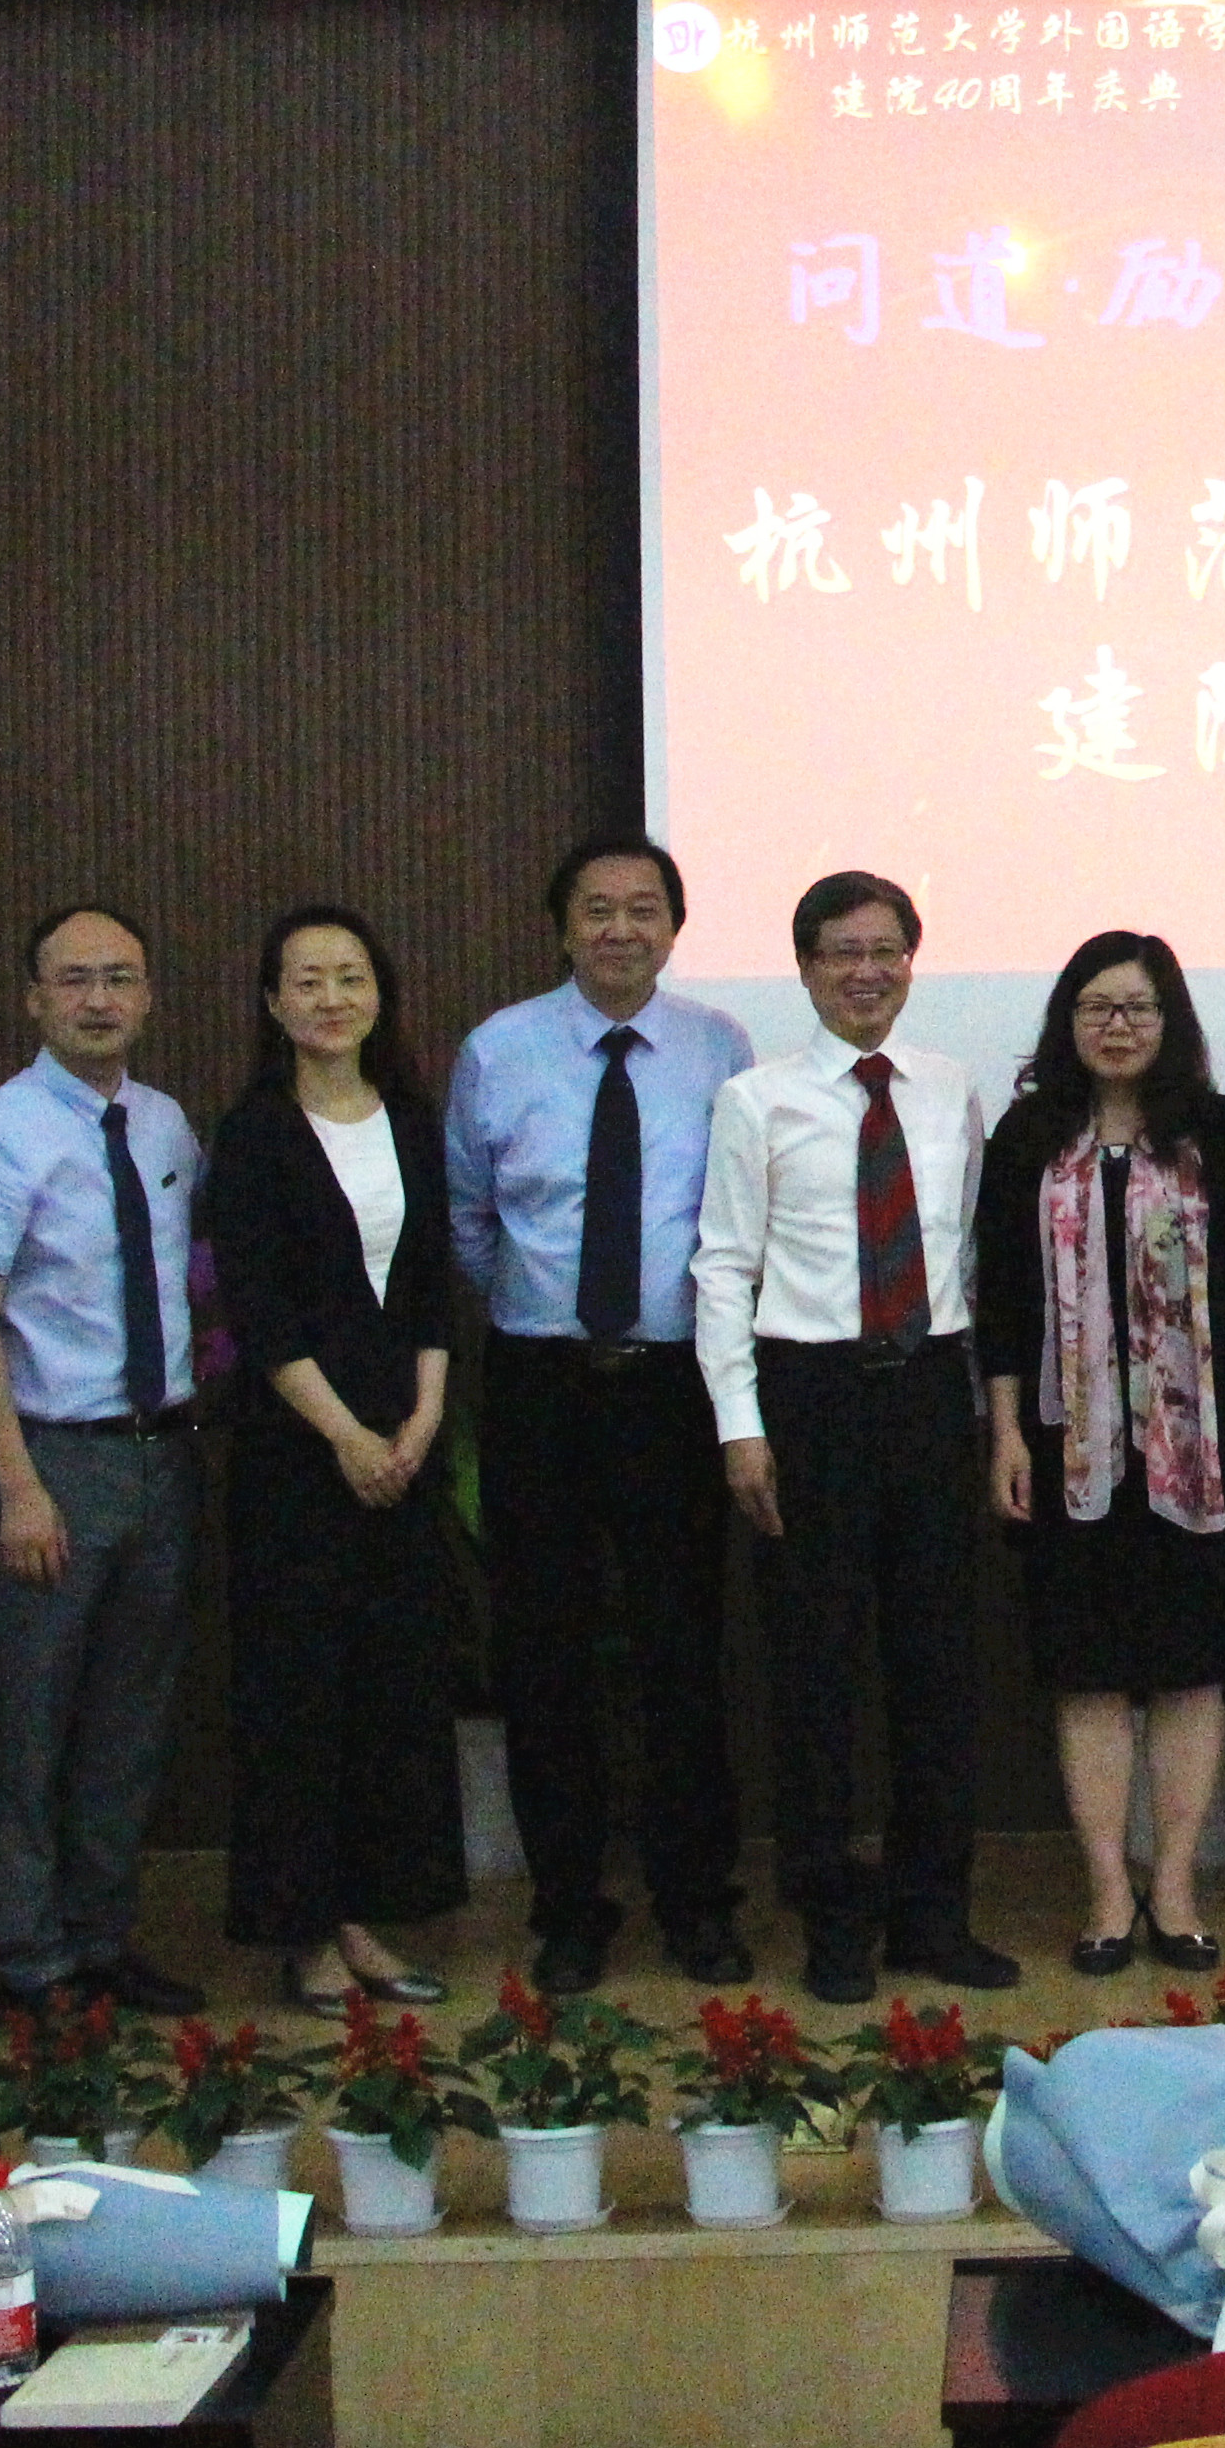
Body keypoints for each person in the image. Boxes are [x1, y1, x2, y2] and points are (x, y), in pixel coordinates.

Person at [449, 835, 757, 1995]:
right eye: (598, 909)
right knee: (545, 1655)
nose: (621, 929)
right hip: (541, 1385)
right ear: (562, 926)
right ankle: (568, 1907)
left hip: (675, 1386)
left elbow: (739, 1211)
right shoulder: (500, 1049)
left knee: (684, 1652)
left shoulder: (720, 1048)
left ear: (674, 927)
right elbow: (469, 1219)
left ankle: (696, 1902)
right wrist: (542, 1316)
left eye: (643, 909)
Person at [699, 870, 1011, 2007]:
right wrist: (742, 1427)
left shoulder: (950, 1088)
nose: (866, 972)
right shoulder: (756, 1101)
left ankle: (934, 1916)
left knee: (938, 1669)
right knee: (816, 1675)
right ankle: (833, 1918)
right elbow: (724, 1268)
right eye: (843, 953)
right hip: (809, 1397)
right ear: (805, 968)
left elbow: (966, 1252)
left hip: (929, 1391)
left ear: (911, 963)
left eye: (886, 951)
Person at [973, 932, 1225, 1976]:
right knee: (1089, 1677)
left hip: (1198, 1450)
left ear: (1171, 1022)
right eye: (1097, 1008)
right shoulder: (1029, 1138)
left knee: (1194, 1670)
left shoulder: (1219, 1134)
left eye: (1138, 1008)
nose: (1117, 1026)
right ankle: (1109, 1889)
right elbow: (1003, 1300)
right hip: (1068, 1451)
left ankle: (1177, 1885)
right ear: (1068, 1022)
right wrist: (1006, 1431)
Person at [0, 904, 209, 2019]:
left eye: (120, 978)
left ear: (147, 996)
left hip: (164, 1456)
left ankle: (103, 1938)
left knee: (130, 1724)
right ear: (33, 999)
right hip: (52, 1459)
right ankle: (32, 1958)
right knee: (28, 1725)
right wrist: (17, 1486)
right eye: (75, 979)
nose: (100, 1000)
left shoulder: (166, 1126)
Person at [207, 906, 468, 2012]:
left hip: (403, 1453)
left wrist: (420, 1422)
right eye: (306, 980)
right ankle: (304, 1931)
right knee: (298, 1699)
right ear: (274, 1002)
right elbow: (259, 1312)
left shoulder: (411, 1119)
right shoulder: (253, 1134)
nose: (330, 998)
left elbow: (435, 1288)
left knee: (386, 1695)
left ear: (379, 995)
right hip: (297, 1459)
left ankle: (363, 1915)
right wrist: (348, 1437)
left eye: (350, 977)